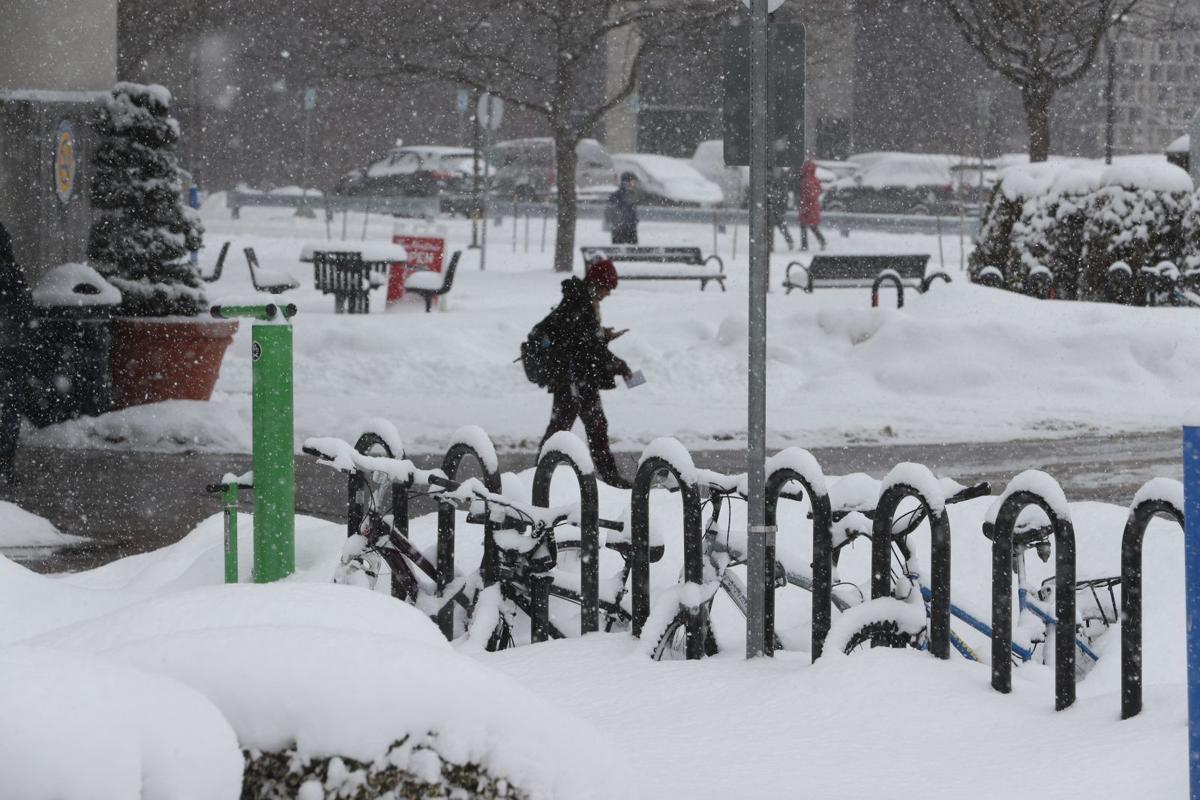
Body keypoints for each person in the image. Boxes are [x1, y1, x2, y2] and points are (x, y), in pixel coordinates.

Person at [538, 258, 633, 488]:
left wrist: (602, 335)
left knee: (593, 427)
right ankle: (538, 478)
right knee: (564, 430)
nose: (608, 293)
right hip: (572, 378)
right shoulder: (580, 302)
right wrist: (618, 365)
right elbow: (586, 346)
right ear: (597, 282)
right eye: (607, 287)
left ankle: (610, 479)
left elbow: (584, 338)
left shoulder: (583, 300)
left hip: (578, 377)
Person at [0, 222, 32, 485]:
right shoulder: (12, 272)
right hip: (10, 347)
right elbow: (24, 308)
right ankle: (5, 463)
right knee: (8, 408)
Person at [797, 160, 827, 252]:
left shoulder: (806, 181)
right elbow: (820, 190)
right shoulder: (815, 179)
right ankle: (822, 241)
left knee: (804, 226)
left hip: (807, 206)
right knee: (812, 226)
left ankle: (805, 245)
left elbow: (808, 195)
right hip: (814, 206)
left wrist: (803, 203)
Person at [606, 172, 640, 245]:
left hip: (630, 229)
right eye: (632, 183)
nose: (634, 185)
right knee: (621, 251)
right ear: (625, 183)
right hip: (620, 230)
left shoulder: (631, 194)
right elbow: (612, 212)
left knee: (632, 251)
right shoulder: (618, 196)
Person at [768, 169, 794, 251]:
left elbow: (784, 196)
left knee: (781, 226)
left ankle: (789, 241)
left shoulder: (781, 183)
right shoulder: (772, 180)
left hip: (778, 208)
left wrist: (782, 209)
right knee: (770, 228)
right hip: (773, 208)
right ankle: (770, 246)